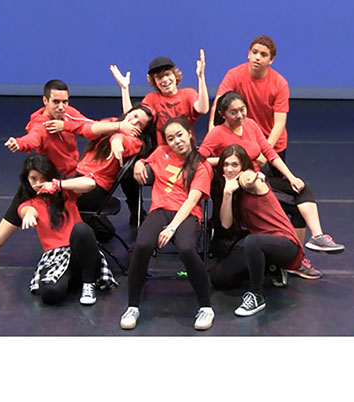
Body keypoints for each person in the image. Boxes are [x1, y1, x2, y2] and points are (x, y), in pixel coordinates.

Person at [0, 80, 148, 264]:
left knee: (25, 193)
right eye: (56, 102)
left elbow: (90, 127)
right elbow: (34, 138)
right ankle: (90, 225)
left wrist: (115, 135)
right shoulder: (43, 123)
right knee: (104, 232)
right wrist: (20, 144)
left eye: (65, 102)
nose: (61, 106)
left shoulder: (129, 137)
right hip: (74, 177)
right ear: (45, 100)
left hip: (85, 185)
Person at [200, 91, 345, 278]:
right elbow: (199, 159)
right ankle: (291, 261)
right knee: (295, 206)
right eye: (233, 112)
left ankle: (314, 239)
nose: (240, 115)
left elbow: (269, 152)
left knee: (302, 189)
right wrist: (226, 161)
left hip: (259, 180)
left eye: (242, 110)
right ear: (223, 114)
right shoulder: (217, 133)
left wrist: (291, 177)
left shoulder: (250, 125)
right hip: (242, 187)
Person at [120, 117, 215, 331]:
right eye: (170, 138)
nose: (176, 141)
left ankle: (206, 307)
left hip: (187, 214)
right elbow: (144, 161)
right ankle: (132, 306)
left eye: (180, 135)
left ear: (189, 134)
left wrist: (172, 227)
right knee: (142, 245)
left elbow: (192, 200)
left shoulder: (202, 165)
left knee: (186, 248)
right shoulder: (160, 152)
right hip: (160, 210)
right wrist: (139, 163)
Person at [213, 144, 304, 316]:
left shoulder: (245, 177)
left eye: (235, 165)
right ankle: (270, 268)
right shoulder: (230, 187)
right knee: (219, 278)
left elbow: (250, 179)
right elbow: (226, 224)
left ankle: (256, 295)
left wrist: (255, 178)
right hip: (262, 243)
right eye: (226, 165)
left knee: (252, 241)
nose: (229, 169)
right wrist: (227, 193)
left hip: (286, 244)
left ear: (243, 166)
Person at [17, 154, 118, 305]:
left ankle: (88, 283)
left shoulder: (65, 193)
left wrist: (58, 185)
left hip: (81, 253)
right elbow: (27, 211)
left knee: (81, 229)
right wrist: (29, 215)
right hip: (56, 259)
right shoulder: (29, 204)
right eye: (33, 179)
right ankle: (72, 280)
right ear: (27, 180)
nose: (38, 183)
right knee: (50, 294)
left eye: (43, 178)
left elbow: (90, 184)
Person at [208, 35, 288, 162]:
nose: (257, 57)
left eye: (263, 55)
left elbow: (279, 123)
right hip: (244, 140)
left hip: (272, 144)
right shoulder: (234, 75)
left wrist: (266, 152)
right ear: (249, 54)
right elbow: (219, 103)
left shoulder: (280, 84)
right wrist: (212, 135)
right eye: (254, 52)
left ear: (271, 60)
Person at [110, 49, 209, 147]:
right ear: (155, 82)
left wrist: (201, 77)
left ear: (175, 75)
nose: (165, 80)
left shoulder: (188, 94)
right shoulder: (152, 99)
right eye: (159, 77)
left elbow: (203, 109)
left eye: (167, 74)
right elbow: (131, 118)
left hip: (187, 151)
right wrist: (124, 89)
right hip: (162, 153)